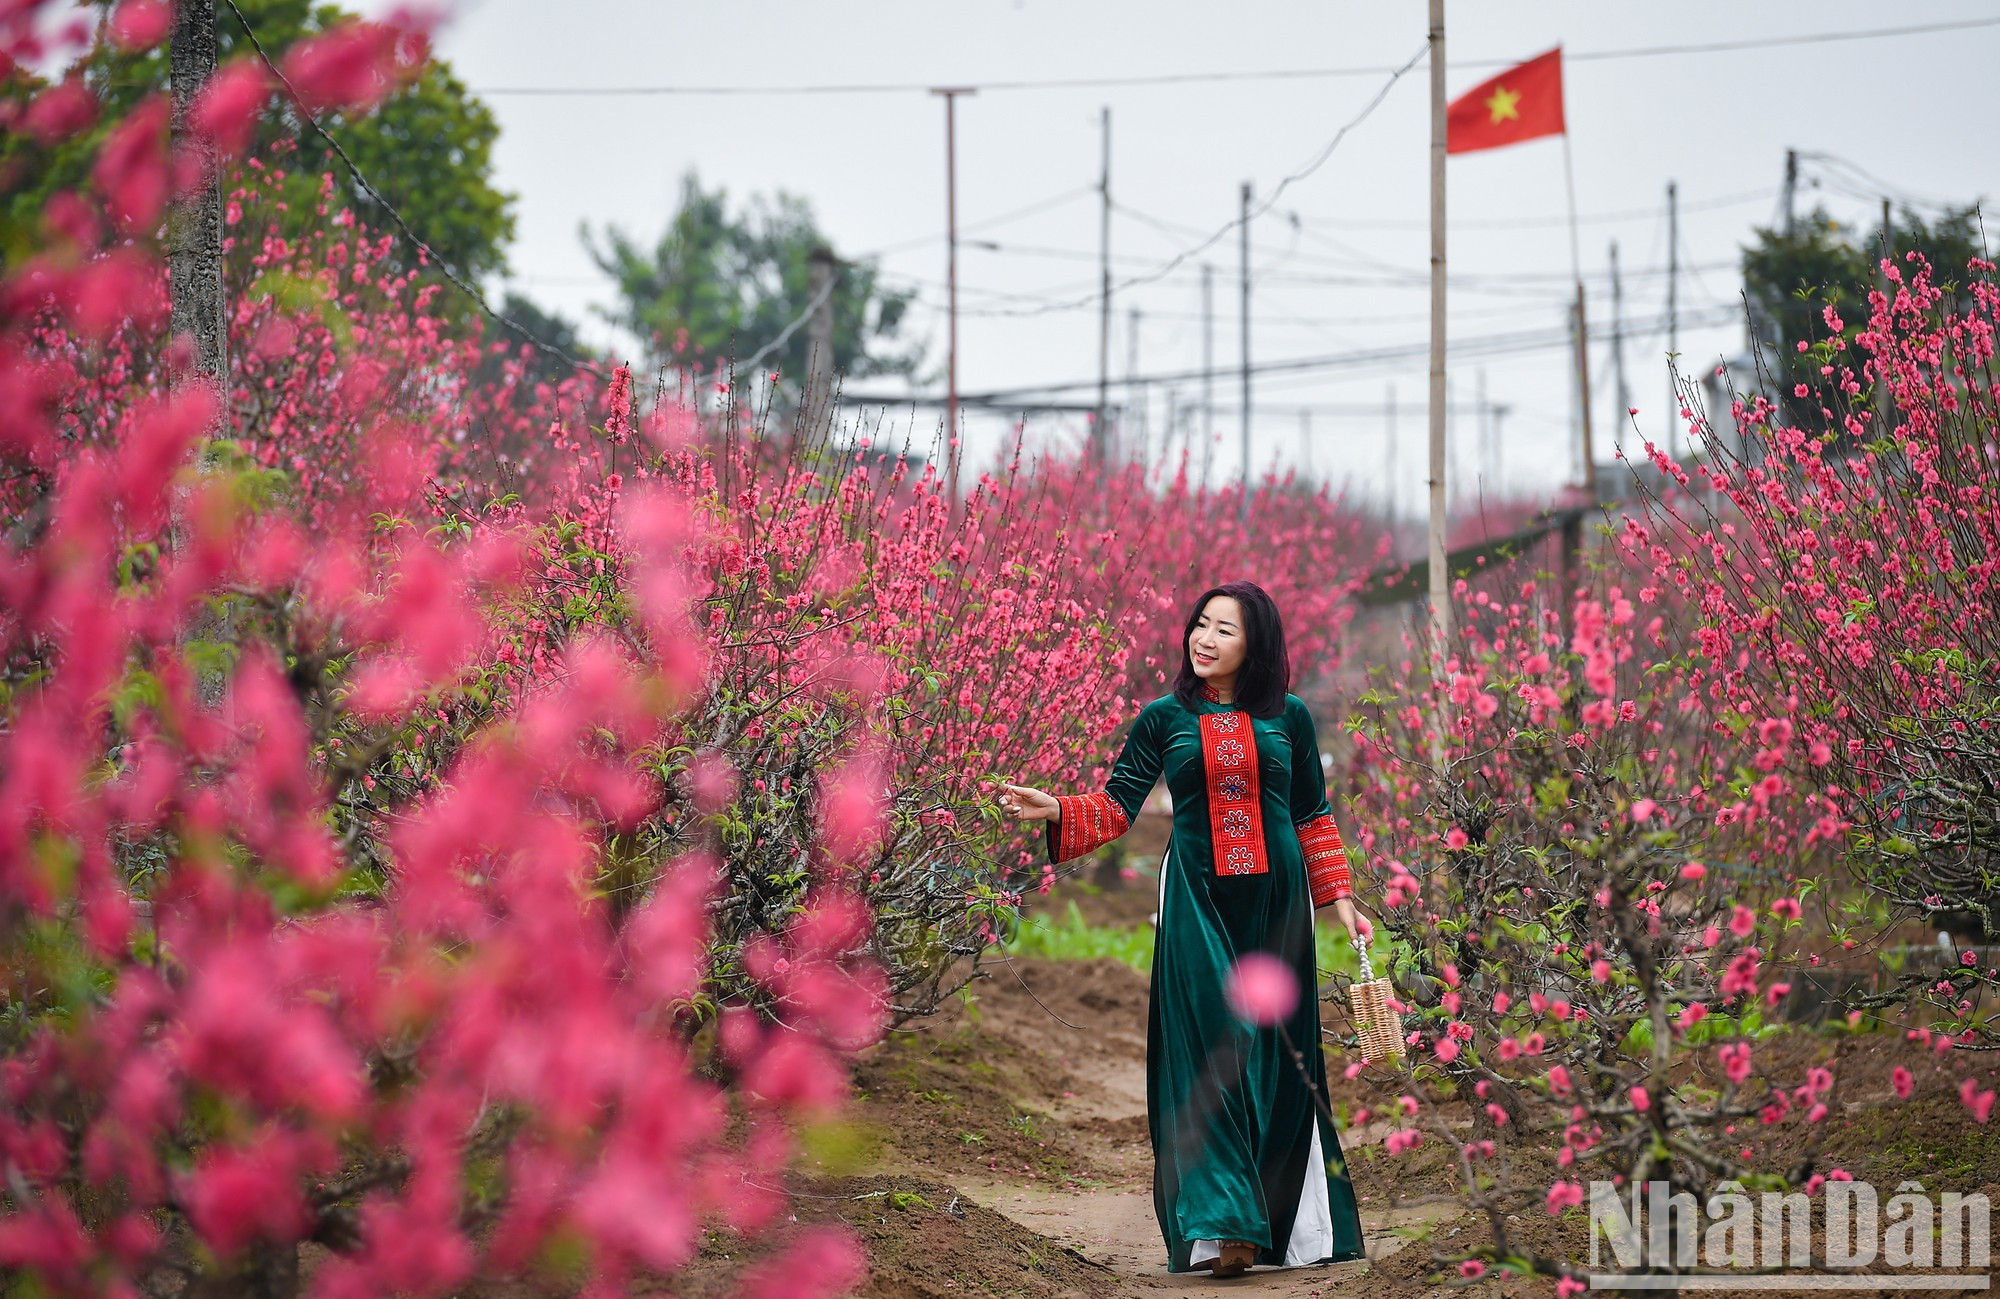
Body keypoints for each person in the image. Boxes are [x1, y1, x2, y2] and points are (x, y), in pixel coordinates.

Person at [999, 581, 1370, 1279]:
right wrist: (1053, 805)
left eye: (1224, 629)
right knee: (1211, 1045)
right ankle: (1228, 1222)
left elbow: (1313, 813)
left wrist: (1340, 898)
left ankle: (1274, 1215)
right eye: (1201, 623)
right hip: (1195, 898)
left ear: (1255, 644)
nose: (1205, 637)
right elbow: (1117, 807)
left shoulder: (1289, 717)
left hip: (1279, 904)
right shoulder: (1162, 718)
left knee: (1275, 1054)